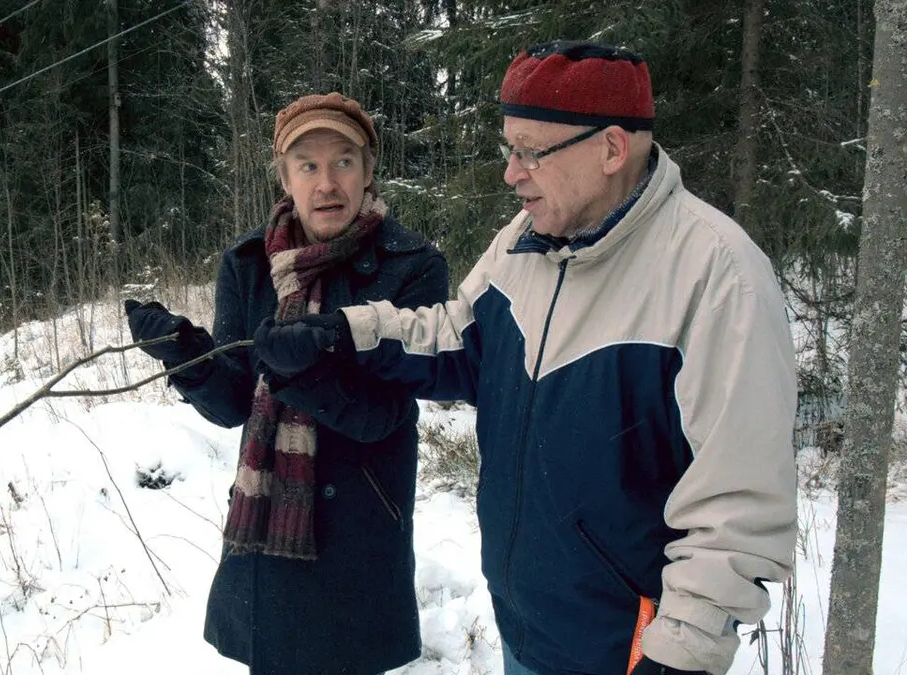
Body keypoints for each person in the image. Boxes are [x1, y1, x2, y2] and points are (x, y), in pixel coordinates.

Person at [252, 41, 797, 675]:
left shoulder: (717, 276)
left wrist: (677, 658)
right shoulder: (527, 238)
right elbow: (459, 335)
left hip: (627, 651)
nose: (511, 173)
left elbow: (738, 508)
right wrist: (345, 333)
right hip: (525, 626)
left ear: (612, 149)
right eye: (508, 149)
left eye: (530, 151)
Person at [124, 92, 450, 674]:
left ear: (369, 170)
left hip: (360, 525)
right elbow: (232, 404)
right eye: (308, 165)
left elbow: (385, 414)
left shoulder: (413, 266)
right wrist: (188, 357)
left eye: (344, 161)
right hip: (268, 533)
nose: (327, 183)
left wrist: (310, 373)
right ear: (285, 178)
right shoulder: (248, 263)